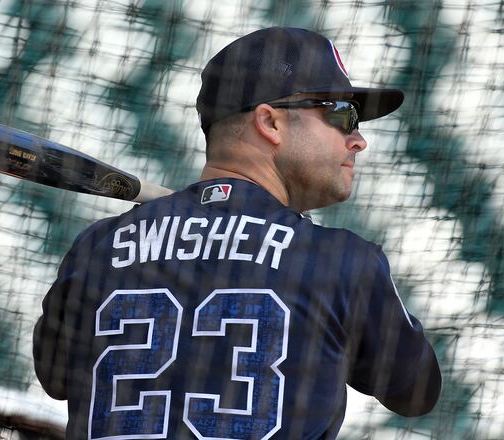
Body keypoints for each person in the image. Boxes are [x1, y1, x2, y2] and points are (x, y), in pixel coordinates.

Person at [33, 27, 441, 440]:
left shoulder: (98, 247)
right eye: (341, 114)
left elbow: (55, 377)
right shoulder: (342, 262)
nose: (358, 140)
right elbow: (416, 391)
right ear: (270, 122)